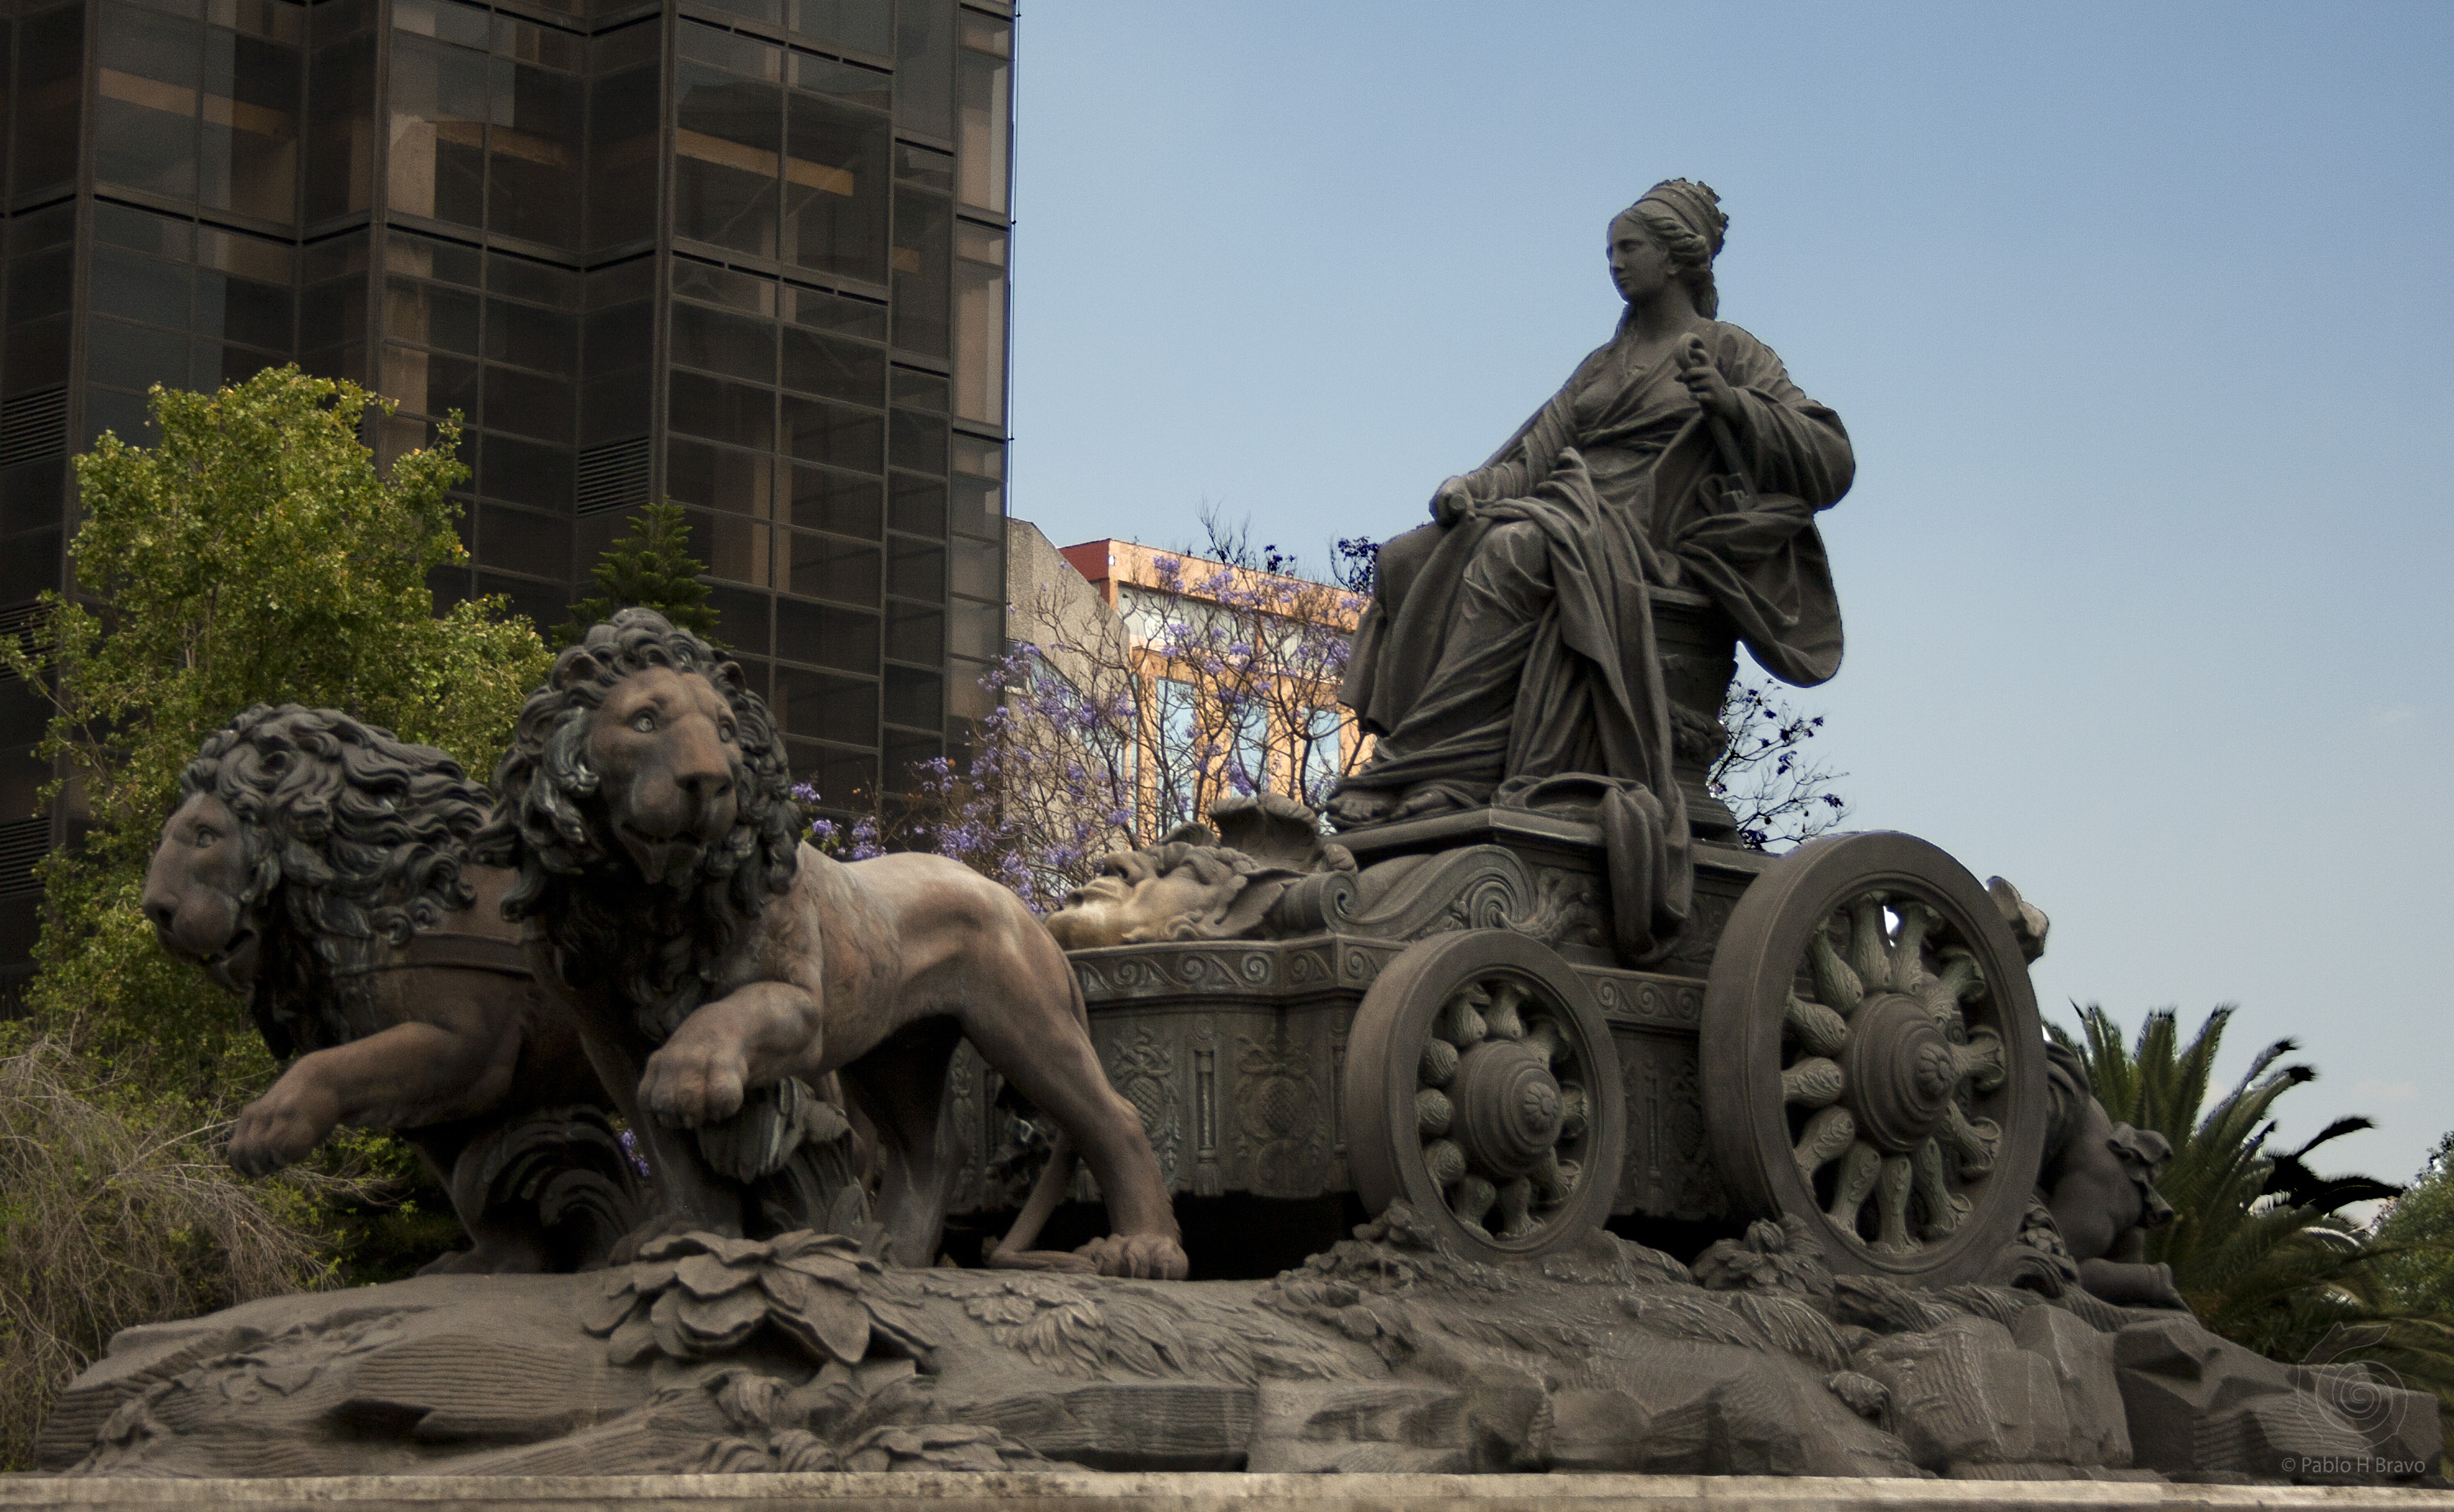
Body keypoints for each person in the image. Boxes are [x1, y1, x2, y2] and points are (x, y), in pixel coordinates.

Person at [1330, 181, 1856, 848]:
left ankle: (1442, 768)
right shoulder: (1600, 365)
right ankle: (1412, 763)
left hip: (1649, 535)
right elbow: (1536, 456)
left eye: (1629, 248)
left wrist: (1730, 403)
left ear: (1674, 259)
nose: (1615, 262)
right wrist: (1471, 486)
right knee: (1405, 558)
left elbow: (1830, 458)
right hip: (1567, 508)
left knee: (1514, 550)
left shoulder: (1731, 351)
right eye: (1610, 250)